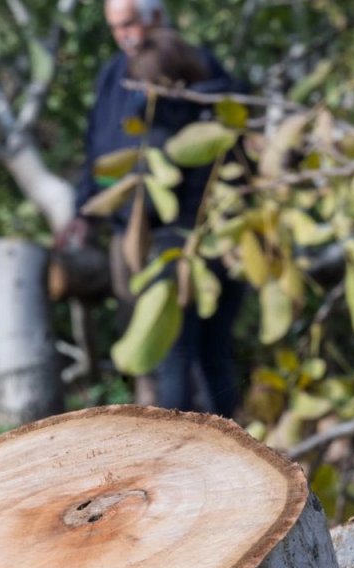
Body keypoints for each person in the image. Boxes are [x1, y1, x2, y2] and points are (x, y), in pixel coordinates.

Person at [58, 0, 243, 416]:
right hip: (139, 232)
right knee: (174, 352)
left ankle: (194, 445)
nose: (123, 36)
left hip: (183, 241)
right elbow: (98, 149)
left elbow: (180, 171)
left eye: (129, 24)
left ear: (156, 19)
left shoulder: (192, 83)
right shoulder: (114, 74)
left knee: (182, 354)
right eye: (114, 27)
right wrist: (85, 210)